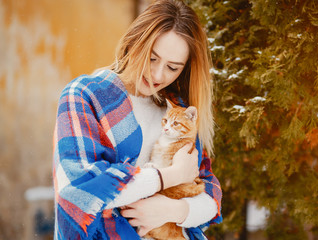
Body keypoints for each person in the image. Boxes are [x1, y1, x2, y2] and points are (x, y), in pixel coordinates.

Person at [52, 0, 222, 239]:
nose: (157, 75)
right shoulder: (85, 95)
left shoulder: (176, 109)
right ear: (134, 41)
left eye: (172, 67)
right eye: (152, 58)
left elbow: (210, 198)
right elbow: (78, 191)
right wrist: (168, 177)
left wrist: (174, 210)